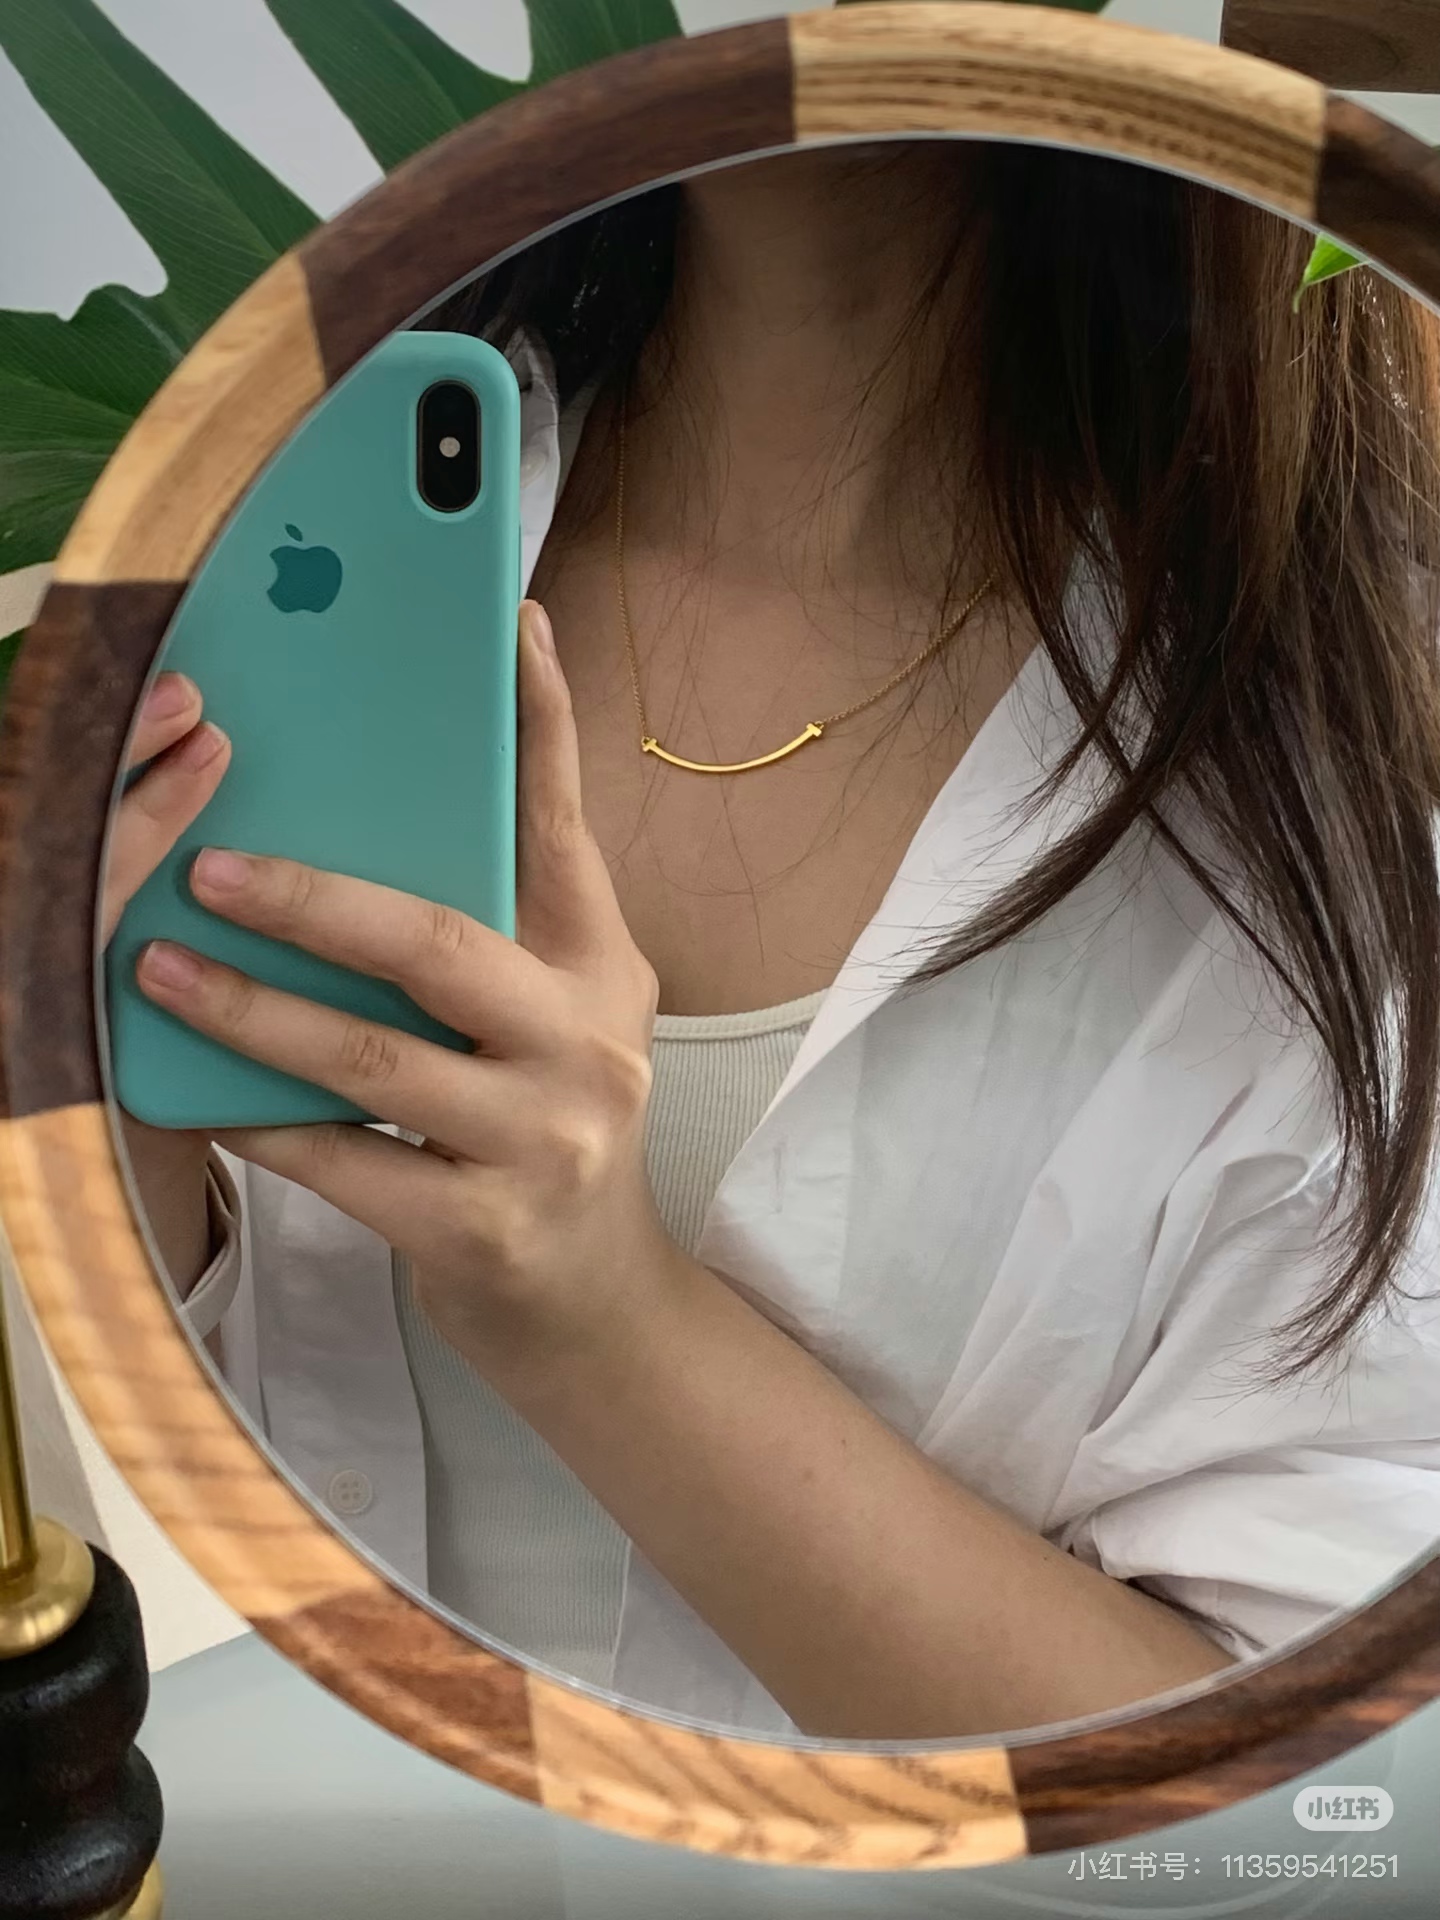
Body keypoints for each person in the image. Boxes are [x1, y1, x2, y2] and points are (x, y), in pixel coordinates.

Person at [107, 136, 1440, 1741]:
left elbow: (1289, 1783)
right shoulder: (321, 523)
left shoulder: (1336, 803)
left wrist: (608, 1322)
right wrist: (125, 1133)